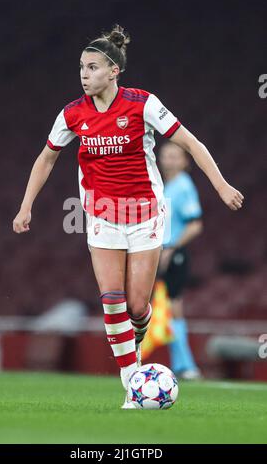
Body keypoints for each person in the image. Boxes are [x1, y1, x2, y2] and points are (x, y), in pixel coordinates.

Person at [13, 24, 244, 408]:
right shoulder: (72, 114)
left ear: (113, 71)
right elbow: (46, 158)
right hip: (102, 215)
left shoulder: (142, 104)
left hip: (145, 215)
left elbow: (189, 141)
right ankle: (132, 383)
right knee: (112, 299)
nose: (84, 75)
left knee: (137, 307)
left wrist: (220, 185)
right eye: (81, 68)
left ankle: (135, 334)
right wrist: (26, 206)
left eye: (92, 68)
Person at [158, 141, 203, 379]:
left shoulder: (184, 186)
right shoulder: (165, 186)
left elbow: (195, 224)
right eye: (166, 155)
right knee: (165, 308)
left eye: (175, 156)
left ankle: (186, 365)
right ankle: (180, 364)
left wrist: (172, 248)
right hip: (161, 251)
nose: (170, 160)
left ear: (185, 161)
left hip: (173, 252)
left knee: (175, 306)